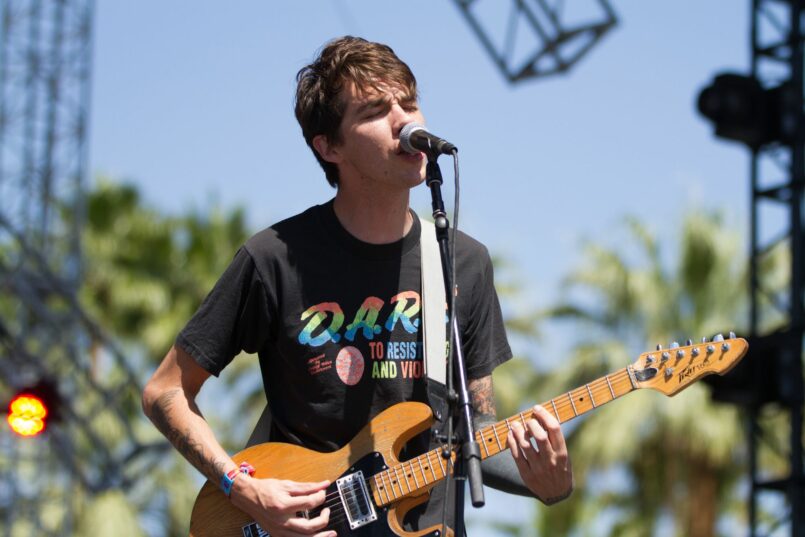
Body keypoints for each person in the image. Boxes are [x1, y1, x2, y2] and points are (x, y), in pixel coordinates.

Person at [142, 36, 573, 537]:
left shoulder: (462, 262)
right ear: (329, 146)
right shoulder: (274, 257)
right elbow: (165, 390)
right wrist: (240, 485)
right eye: (375, 110)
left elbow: (472, 434)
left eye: (409, 103)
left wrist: (549, 482)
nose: (405, 121)